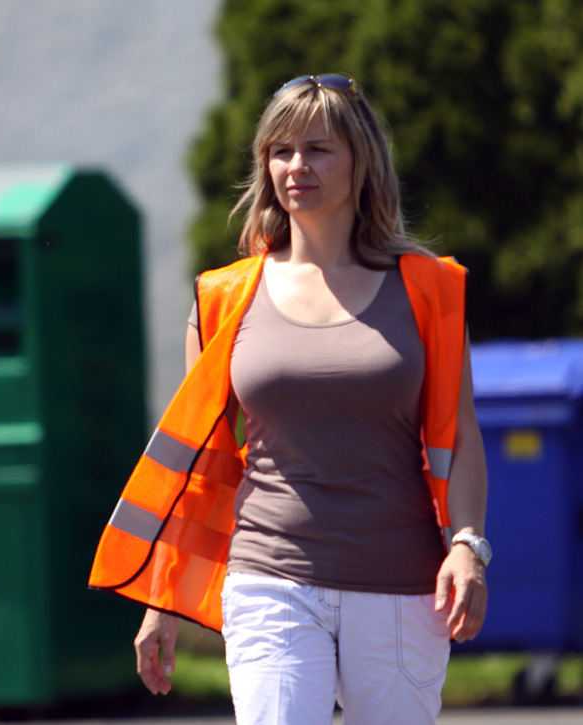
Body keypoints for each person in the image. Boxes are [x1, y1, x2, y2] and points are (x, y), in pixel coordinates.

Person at [89, 73, 489, 724]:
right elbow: (205, 465)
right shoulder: (223, 299)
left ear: (362, 162)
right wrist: (163, 599)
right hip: (268, 580)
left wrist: (469, 547)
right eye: (280, 151)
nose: (296, 166)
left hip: (400, 583)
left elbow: (463, 436)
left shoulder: (432, 290)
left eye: (318, 149)